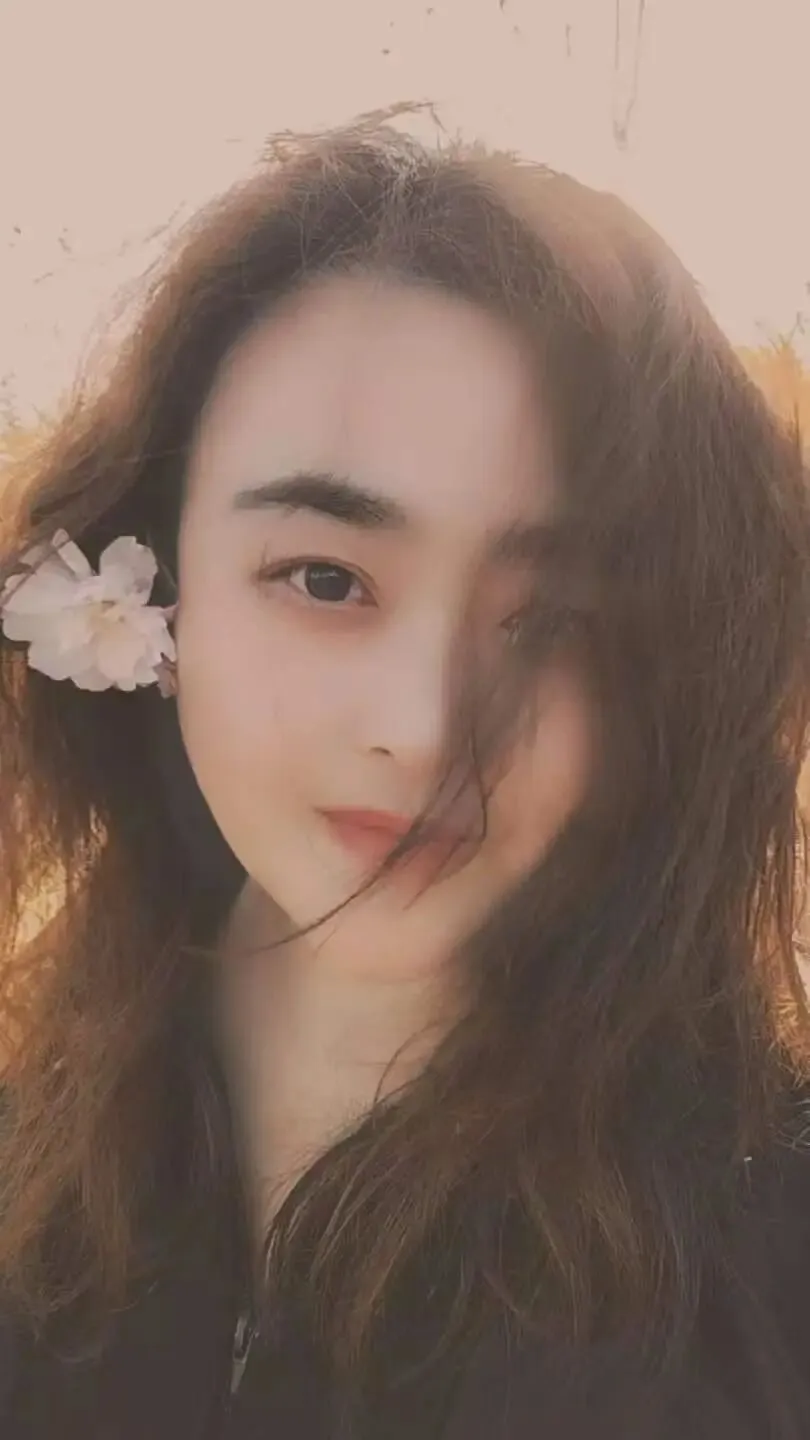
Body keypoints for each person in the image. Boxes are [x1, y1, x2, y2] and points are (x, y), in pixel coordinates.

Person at [0, 122, 808, 1440]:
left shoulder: (767, 1273)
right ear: (151, 586)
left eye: (553, 622)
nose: (425, 731)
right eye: (326, 579)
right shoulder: (29, 1186)